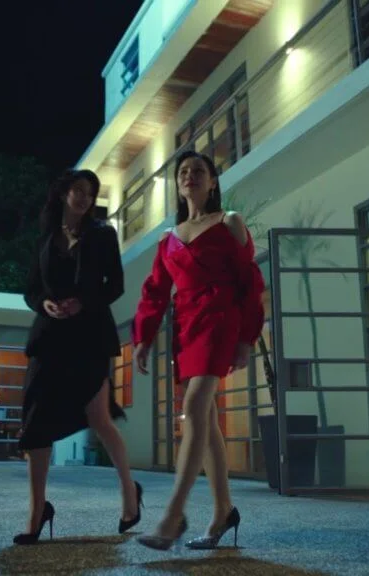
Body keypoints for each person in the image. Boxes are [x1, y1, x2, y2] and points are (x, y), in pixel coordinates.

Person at [132, 151, 265, 551]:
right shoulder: (167, 238)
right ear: (178, 185)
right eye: (184, 172)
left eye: (199, 171)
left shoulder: (229, 222)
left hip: (221, 318)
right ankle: (223, 510)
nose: (190, 176)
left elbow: (250, 283)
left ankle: (172, 515)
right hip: (187, 326)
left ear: (212, 182)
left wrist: (246, 338)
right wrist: (143, 338)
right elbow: (155, 292)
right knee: (205, 418)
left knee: (193, 405)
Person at [15, 168, 143, 545]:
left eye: (90, 192)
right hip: (49, 338)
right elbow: (31, 290)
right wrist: (45, 303)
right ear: (63, 194)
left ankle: (129, 493)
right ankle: (37, 511)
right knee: (35, 423)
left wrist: (83, 302)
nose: (85, 197)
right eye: (78, 190)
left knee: (99, 418)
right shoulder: (45, 237)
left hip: (89, 337)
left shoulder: (102, 234)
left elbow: (115, 285)